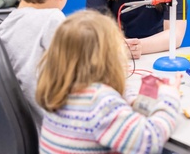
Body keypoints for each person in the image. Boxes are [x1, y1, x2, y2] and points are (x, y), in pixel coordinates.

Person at [36, 9, 182, 154]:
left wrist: (130, 99)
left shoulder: (60, 90)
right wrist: (170, 98)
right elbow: (150, 140)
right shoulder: (100, 102)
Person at [0, 0, 80, 132]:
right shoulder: (52, 19)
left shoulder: (6, 25)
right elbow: (80, 80)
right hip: (53, 135)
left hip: (23, 133)